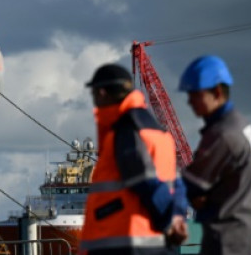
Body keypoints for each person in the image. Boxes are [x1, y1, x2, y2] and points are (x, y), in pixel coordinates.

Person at [80, 64, 188, 255]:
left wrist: (169, 221)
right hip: (154, 243)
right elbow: (177, 184)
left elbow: (145, 181)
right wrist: (177, 217)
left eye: (94, 95)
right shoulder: (159, 132)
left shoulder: (127, 130)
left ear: (102, 93)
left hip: (124, 241)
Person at [178, 55, 251, 255]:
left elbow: (188, 186)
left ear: (216, 92)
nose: (189, 101)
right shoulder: (240, 125)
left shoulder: (223, 134)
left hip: (227, 242)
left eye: (195, 94)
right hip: (242, 238)